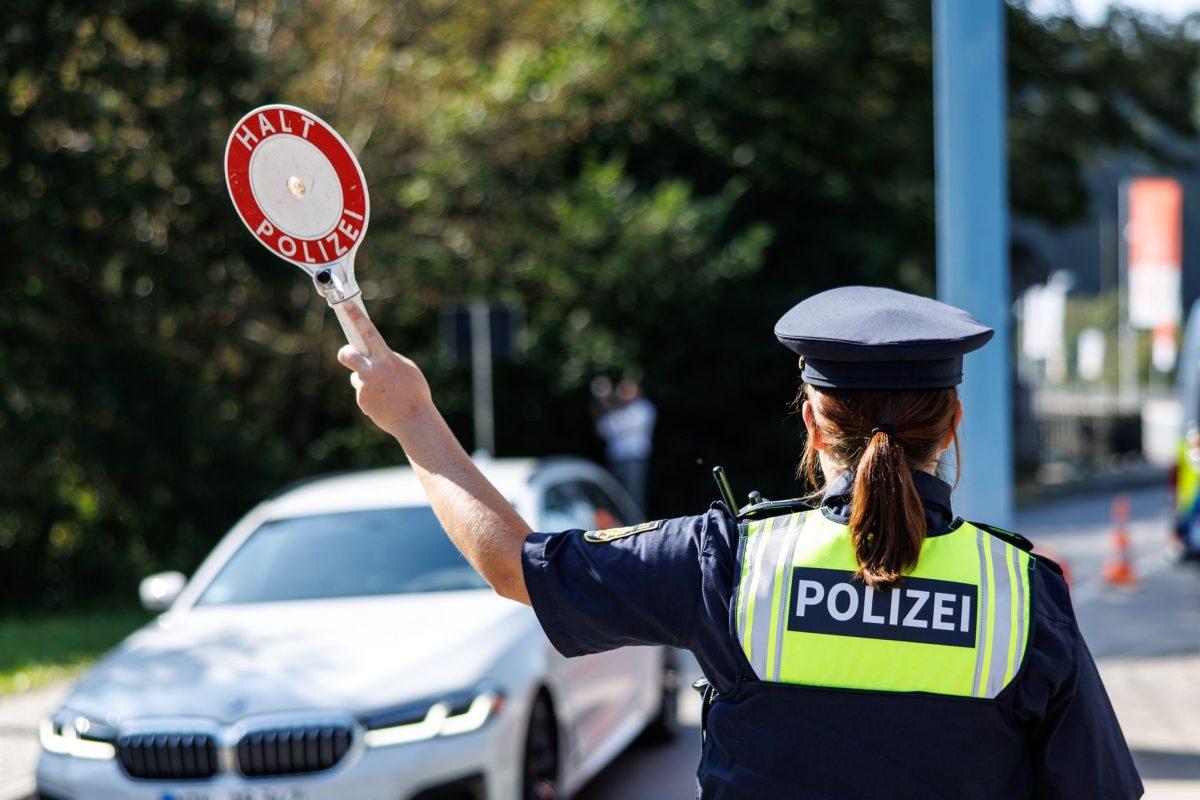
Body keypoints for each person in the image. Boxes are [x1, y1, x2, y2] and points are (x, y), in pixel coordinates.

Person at [336, 285, 1142, 800]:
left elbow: (514, 564)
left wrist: (411, 417)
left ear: (810, 419)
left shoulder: (730, 562)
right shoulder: (1024, 595)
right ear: (955, 423)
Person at [594, 378, 657, 511]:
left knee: (633, 498)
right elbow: (603, 430)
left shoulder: (643, 408)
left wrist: (610, 408)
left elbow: (621, 426)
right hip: (617, 460)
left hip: (634, 460)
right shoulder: (619, 411)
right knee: (617, 498)